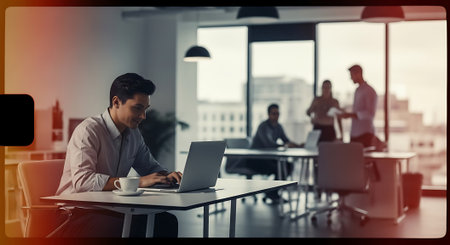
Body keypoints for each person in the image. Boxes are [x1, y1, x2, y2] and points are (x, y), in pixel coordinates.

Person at [54, 73, 181, 237]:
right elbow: (83, 181)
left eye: (145, 109)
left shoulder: (134, 134)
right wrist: (139, 182)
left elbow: (150, 168)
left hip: (108, 208)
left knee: (166, 222)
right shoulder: (88, 130)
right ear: (116, 102)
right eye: (137, 108)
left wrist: (168, 176)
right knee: (124, 228)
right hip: (74, 214)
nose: (143, 116)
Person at [246, 103, 300, 204]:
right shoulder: (263, 126)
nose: (276, 116)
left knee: (288, 166)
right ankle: (272, 193)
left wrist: (297, 145)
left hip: (268, 158)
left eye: (278, 114)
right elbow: (268, 143)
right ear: (268, 114)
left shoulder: (278, 127)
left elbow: (286, 140)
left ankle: (272, 192)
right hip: (255, 159)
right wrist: (284, 145)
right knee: (279, 168)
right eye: (274, 113)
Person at [338, 64, 386, 151]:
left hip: (365, 134)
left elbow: (370, 114)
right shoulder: (357, 90)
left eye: (352, 75)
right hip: (354, 133)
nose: (351, 78)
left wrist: (350, 115)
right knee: (354, 161)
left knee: (364, 162)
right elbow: (357, 110)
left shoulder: (369, 91)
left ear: (358, 74)